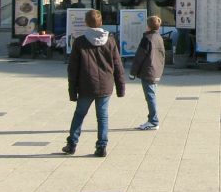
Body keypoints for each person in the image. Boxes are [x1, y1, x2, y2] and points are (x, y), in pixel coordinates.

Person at [63, 9, 125, 157]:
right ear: (101, 22)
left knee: (79, 114)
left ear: (86, 23)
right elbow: (118, 65)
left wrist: (72, 91)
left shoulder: (80, 42)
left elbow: (73, 69)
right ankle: (101, 146)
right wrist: (120, 88)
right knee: (102, 116)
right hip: (105, 85)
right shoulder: (110, 41)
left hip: (86, 85)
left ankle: (72, 144)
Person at [130, 15, 165, 130]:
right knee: (152, 95)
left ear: (148, 25)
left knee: (150, 96)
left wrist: (132, 72)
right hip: (156, 70)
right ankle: (152, 119)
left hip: (148, 71)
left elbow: (139, 57)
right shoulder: (159, 38)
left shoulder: (147, 38)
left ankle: (153, 121)